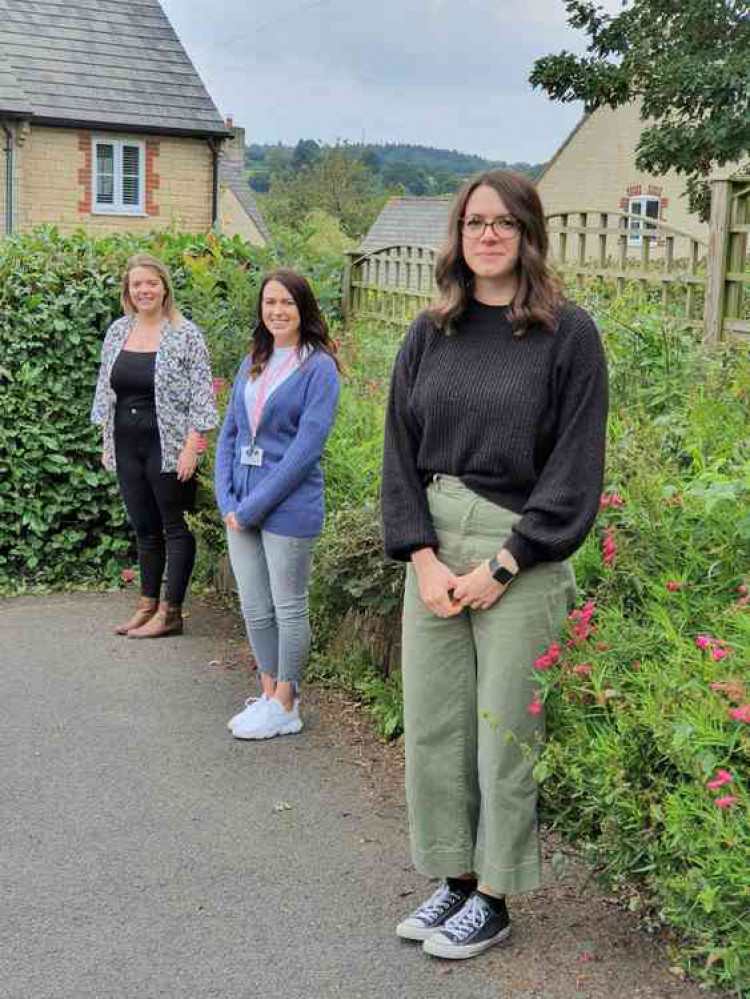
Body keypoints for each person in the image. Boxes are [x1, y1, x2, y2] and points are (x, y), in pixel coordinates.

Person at [382, 170, 608, 960]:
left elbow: (576, 469)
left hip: (523, 549)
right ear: (458, 233)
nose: (487, 235)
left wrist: (505, 564)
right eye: (475, 221)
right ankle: (452, 876)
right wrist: (421, 556)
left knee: (502, 732)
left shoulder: (566, 335)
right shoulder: (429, 332)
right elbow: (398, 455)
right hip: (434, 548)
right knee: (438, 728)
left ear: (527, 235)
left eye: (504, 223)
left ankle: (495, 894)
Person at [214, 269, 341, 740]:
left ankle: (288, 702)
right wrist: (227, 497)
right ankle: (268, 694)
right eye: (269, 302)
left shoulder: (319, 368)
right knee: (255, 608)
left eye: (287, 302)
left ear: (303, 308)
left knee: (288, 608)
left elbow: (304, 451)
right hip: (241, 505)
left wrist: (251, 508)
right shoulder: (255, 358)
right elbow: (230, 433)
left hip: (289, 508)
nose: (277, 311)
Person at [91, 253, 218, 638]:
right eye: (136, 285)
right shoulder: (117, 332)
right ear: (128, 292)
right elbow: (106, 389)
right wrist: (105, 441)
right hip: (127, 442)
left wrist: (192, 446)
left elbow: (202, 395)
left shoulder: (185, 333)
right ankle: (146, 605)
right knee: (144, 527)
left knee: (174, 527)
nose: (144, 290)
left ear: (164, 287)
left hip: (170, 444)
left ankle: (171, 611)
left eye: (151, 283)